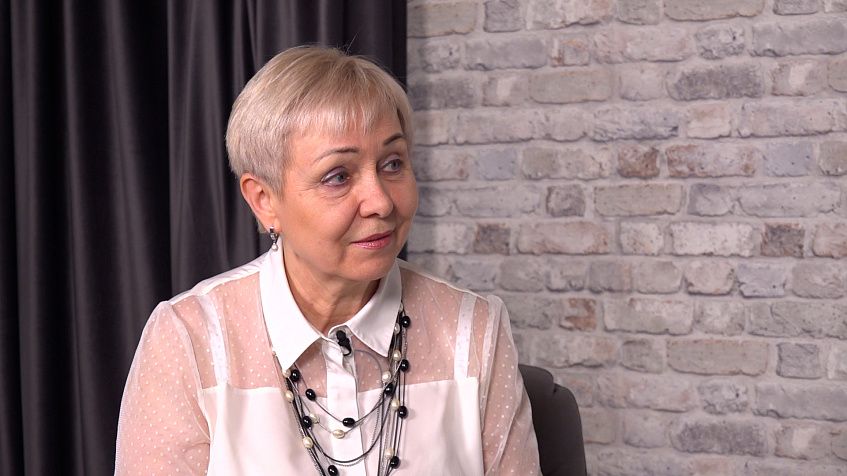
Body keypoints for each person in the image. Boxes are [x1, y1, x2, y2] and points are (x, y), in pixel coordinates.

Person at [115, 45, 540, 476]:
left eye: (393, 163)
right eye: (338, 176)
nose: (380, 202)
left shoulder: (474, 331)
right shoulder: (189, 340)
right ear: (264, 200)